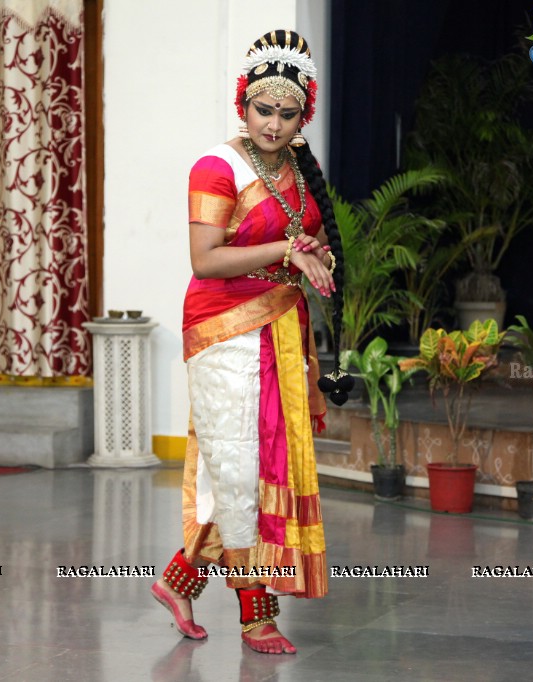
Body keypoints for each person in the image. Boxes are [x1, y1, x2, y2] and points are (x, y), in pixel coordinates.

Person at [150, 29, 349, 656]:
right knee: (236, 468)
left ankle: (179, 582)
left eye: (287, 113)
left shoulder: (296, 169)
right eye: (264, 109)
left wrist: (311, 256)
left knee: (255, 466)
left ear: (303, 114)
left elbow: (296, 242)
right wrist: (289, 250)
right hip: (223, 328)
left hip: (280, 330)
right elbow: (206, 260)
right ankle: (254, 612)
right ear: (244, 104)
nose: (274, 123)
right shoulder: (217, 167)